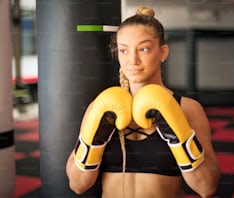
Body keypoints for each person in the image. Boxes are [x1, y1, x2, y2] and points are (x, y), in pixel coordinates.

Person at [66, 6, 220, 198]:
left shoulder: (188, 108)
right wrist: (95, 138)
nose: (133, 60)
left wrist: (179, 135)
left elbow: (207, 187)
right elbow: (77, 184)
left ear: (163, 52)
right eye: (123, 50)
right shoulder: (100, 107)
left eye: (144, 49)